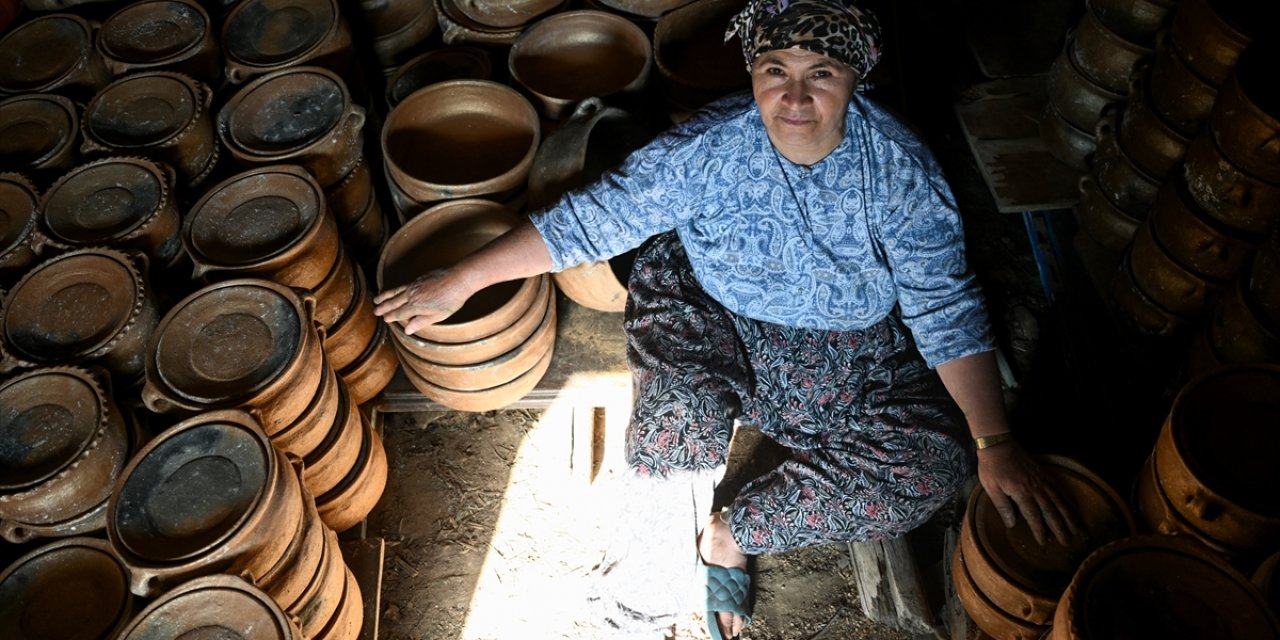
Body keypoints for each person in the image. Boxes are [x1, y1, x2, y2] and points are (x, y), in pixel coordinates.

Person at [375, 0, 1078, 637]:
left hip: (835, 346)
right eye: (775, 69)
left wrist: (995, 443)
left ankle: (735, 532)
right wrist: (459, 279)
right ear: (753, 72)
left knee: (932, 461)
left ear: (856, 77)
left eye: (821, 72)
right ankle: (639, 612)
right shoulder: (708, 149)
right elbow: (591, 221)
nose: (794, 96)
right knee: (674, 441)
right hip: (706, 310)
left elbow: (945, 308)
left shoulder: (898, 171)